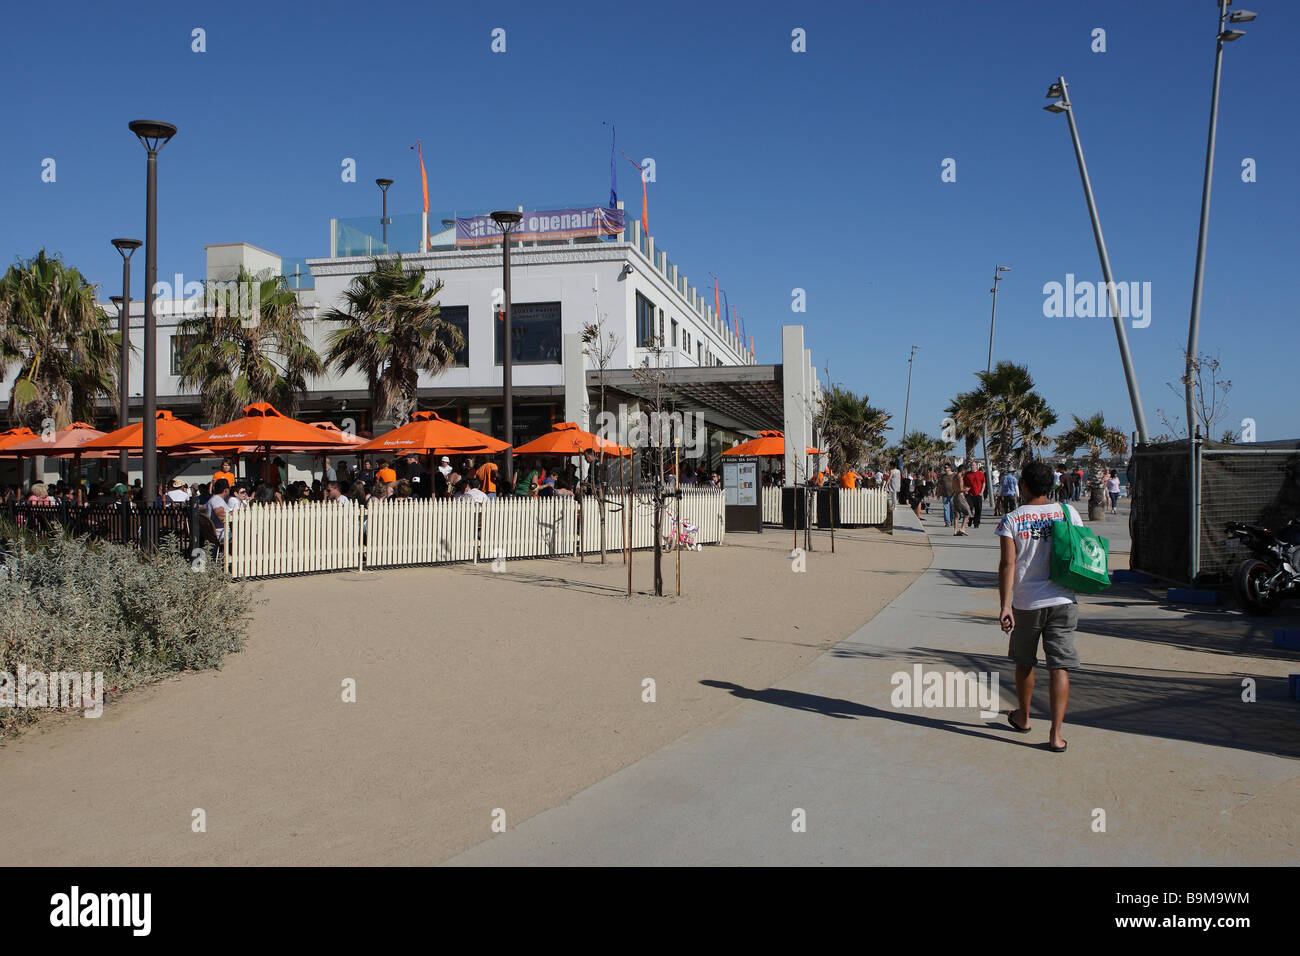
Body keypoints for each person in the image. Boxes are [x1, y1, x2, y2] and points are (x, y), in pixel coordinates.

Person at [996, 460, 1084, 753]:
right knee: (1059, 666)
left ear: (1023, 486)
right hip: (1063, 599)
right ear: (1052, 486)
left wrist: (1005, 605)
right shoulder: (1067, 512)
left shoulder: (1012, 519)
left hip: (1026, 603)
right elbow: (1078, 548)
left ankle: (1023, 716)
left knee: (1025, 662)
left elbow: (1008, 565)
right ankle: (1056, 735)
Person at [963, 463, 985, 528]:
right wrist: (965, 491)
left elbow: (983, 483)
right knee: (969, 508)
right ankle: (970, 519)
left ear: (976, 466)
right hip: (969, 494)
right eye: (971, 465)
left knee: (978, 509)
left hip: (978, 494)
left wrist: (981, 492)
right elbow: (963, 483)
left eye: (974, 465)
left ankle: (976, 523)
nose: (972, 467)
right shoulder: (967, 474)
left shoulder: (980, 474)